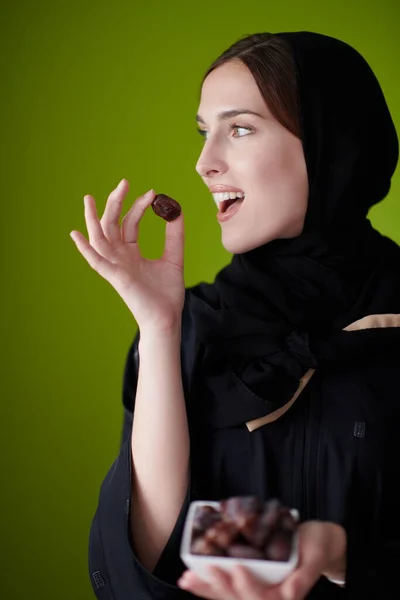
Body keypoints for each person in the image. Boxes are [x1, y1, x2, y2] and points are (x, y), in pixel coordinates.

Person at [70, 31, 400, 599]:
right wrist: (159, 326)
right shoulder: (191, 326)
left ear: (330, 141)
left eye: (240, 128)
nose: (204, 163)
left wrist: (341, 554)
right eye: (204, 132)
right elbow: (146, 564)